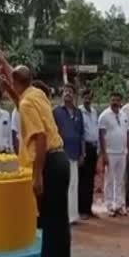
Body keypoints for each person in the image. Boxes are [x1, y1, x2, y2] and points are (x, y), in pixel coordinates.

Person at [0, 54, 70, 257]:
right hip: (61, 161)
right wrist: (6, 74)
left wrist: (37, 176)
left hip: (47, 163)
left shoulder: (27, 103)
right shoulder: (36, 93)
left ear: (16, 82)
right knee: (59, 225)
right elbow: (21, 96)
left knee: (49, 226)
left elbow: (39, 138)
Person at [53, 84, 84, 225]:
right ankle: (62, 215)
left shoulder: (78, 113)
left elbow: (81, 134)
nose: (68, 94)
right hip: (61, 153)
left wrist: (82, 153)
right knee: (62, 185)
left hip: (75, 153)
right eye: (65, 91)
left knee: (74, 184)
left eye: (71, 92)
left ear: (74, 96)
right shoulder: (56, 111)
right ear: (61, 94)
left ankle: (73, 215)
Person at [99, 91, 129, 217]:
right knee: (109, 179)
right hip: (110, 152)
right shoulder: (104, 116)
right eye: (113, 100)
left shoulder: (124, 115)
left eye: (117, 100)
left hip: (122, 152)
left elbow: (127, 133)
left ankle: (119, 204)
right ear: (109, 100)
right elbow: (101, 136)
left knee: (120, 180)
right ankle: (108, 205)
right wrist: (104, 154)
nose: (115, 102)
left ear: (120, 101)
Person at [79, 89, 100, 219]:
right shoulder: (79, 112)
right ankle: (82, 210)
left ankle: (89, 208)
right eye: (85, 97)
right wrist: (82, 151)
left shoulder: (94, 112)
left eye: (90, 97)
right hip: (84, 147)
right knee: (83, 180)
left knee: (91, 179)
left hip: (93, 147)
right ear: (82, 98)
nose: (88, 99)